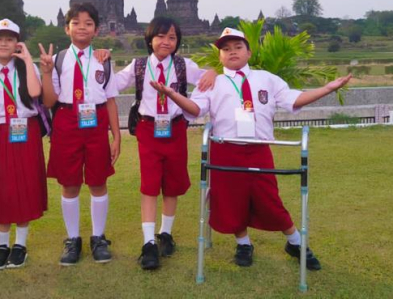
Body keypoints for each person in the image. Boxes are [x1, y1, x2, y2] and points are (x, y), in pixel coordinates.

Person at [150, 27, 351, 270]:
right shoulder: (212, 82)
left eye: (237, 47)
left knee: (269, 200)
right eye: (225, 49)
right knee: (232, 201)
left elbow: (294, 100)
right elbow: (194, 110)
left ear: (249, 51)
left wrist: (328, 89)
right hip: (225, 149)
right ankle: (243, 243)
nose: (232, 52)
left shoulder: (266, 79)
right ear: (220, 55)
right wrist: (172, 94)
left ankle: (295, 242)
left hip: (259, 149)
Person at [112, 17, 216, 270]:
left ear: (177, 41)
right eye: (160, 36)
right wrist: (102, 62)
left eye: (172, 37)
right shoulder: (138, 66)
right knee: (149, 184)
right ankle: (148, 242)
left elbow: (207, 79)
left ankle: (165, 233)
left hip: (175, 128)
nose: (166, 42)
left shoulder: (183, 66)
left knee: (172, 182)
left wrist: (213, 71)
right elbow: (111, 84)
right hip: (148, 129)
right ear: (150, 39)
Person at [38, 2, 121, 266]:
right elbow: (49, 102)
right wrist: (46, 72)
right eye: (76, 23)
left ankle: (98, 237)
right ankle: (72, 239)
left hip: (95, 122)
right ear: (67, 28)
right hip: (66, 119)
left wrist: (116, 136)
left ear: (96, 30)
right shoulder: (59, 59)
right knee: (69, 182)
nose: (82, 27)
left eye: (88, 23)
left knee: (98, 181)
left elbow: (109, 100)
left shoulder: (104, 60)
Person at [0, 19, 45, 269]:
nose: (4, 43)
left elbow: (36, 93)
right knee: (2, 191)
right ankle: (2, 246)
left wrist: (28, 59)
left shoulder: (25, 68)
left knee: (25, 187)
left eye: (10, 39)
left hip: (26, 134)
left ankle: (20, 245)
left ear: (17, 43)